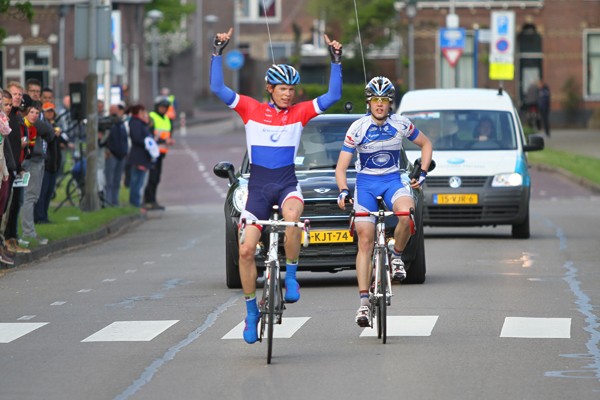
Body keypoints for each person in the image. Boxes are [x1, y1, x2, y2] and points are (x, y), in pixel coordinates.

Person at [210, 27, 343, 344]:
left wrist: (336, 60)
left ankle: (292, 277)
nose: (288, 94)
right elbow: (217, 87)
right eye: (283, 88)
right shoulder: (250, 109)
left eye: (292, 89)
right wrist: (217, 52)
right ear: (270, 88)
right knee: (244, 251)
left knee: (293, 219)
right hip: (258, 188)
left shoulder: (299, 113)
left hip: (286, 184)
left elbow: (333, 96)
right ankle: (251, 311)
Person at [335, 76, 432, 327]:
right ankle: (364, 304)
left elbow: (426, 144)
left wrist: (422, 173)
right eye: (376, 100)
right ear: (369, 102)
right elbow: (341, 167)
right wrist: (344, 190)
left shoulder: (401, 124)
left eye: (385, 101)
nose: (380, 105)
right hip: (366, 185)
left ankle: (396, 255)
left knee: (406, 212)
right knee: (365, 240)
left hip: (392, 181)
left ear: (391, 103)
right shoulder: (357, 128)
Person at [20, 98, 51, 246]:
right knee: (29, 197)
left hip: (38, 160)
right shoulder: (26, 125)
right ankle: (28, 232)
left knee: (33, 196)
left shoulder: (33, 126)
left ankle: (29, 230)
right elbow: (47, 131)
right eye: (31, 112)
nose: (34, 115)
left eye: (37, 113)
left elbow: (49, 133)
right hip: (31, 162)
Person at [3, 82, 31, 255]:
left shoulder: (18, 115)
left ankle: (13, 238)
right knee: (7, 206)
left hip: (16, 166)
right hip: (7, 167)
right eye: (15, 94)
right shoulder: (7, 118)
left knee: (16, 204)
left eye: (20, 94)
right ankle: (6, 240)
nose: (18, 97)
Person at [34, 102, 67, 224]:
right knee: (42, 192)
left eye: (52, 111)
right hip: (46, 163)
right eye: (48, 111)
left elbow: (64, 139)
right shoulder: (45, 126)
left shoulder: (55, 125)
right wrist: (53, 132)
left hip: (54, 163)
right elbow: (48, 137)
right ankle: (39, 217)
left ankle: (45, 216)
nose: (50, 113)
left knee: (49, 192)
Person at [144, 97, 173, 210]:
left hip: (161, 153)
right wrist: (164, 141)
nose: (164, 109)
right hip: (152, 153)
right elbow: (149, 136)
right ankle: (148, 201)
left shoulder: (166, 119)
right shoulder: (152, 117)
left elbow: (168, 134)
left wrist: (169, 140)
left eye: (166, 107)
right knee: (151, 178)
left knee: (156, 178)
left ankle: (153, 201)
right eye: (162, 107)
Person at [127, 104, 155, 208]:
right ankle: (135, 204)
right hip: (139, 157)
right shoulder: (136, 123)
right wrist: (147, 142)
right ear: (139, 113)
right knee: (137, 182)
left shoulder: (141, 124)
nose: (146, 114)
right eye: (144, 112)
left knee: (140, 181)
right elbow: (137, 138)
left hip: (143, 157)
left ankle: (137, 204)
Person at [104, 102, 129, 206]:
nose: (115, 112)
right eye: (113, 110)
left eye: (117, 110)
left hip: (121, 155)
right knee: (109, 180)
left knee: (117, 180)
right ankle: (108, 202)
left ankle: (115, 201)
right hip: (111, 155)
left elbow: (124, 139)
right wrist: (107, 150)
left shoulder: (121, 123)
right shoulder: (106, 123)